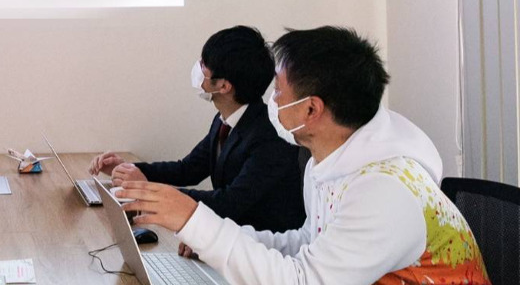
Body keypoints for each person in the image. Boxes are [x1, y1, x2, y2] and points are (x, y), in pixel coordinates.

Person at [119, 26, 491, 285]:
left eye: (278, 91)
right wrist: (217, 245)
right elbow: (307, 244)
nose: (271, 100)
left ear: (311, 109)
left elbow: (303, 280)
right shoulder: (328, 162)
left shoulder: (383, 191)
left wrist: (195, 221)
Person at [89, 26, 304, 232]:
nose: (198, 68)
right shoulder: (224, 120)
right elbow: (187, 169)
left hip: (260, 246)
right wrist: (127, 169)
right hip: (228, 236)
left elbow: (229, 202)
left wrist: (148, 190)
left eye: (203, 65)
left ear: (224, 86)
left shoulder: (270, 137)